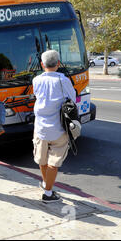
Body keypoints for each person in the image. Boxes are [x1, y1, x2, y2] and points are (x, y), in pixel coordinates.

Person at [32, 50, 76, 203]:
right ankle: (48, 193)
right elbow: (72, 99)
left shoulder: (36, 80)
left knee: (42, 160)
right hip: (59, 128)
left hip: (40, 127)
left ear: (42, 64)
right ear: (58, 64)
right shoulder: (63, 80)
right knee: (54, 163)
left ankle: (46, 184)